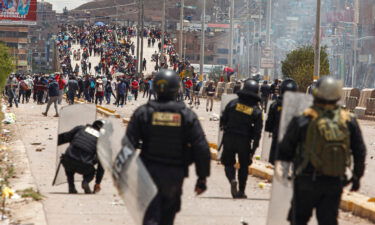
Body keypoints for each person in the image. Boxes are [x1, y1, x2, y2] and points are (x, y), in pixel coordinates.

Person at [125, 70, 210, 225]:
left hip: (147, 172)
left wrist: (124, 174)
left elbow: (128, 145)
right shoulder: (187, 115)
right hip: (175, 174)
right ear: (177, 88)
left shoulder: (143, 113)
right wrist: (202, 178)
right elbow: (201, 147)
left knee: (150, 215)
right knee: (167, 217)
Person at [277, 76, 366, 225]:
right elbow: (359, 151)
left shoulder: (304, 119)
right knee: (328, 221)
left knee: (298, 220)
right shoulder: (348, 120)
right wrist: (356, 177)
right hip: (333, 182)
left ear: (316, 93)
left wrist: (285, 175)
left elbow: (285, 149)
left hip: (305, 181)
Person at [220, 79, 263, 198]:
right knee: (244, 166)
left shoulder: (233, 103)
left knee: (228, 163)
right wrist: (253, 150)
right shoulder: (256, 111)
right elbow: (258, 132)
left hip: (229, 137)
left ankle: (232, 179)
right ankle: (241, 191)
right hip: (244, 141)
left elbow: (223, 120)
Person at [58, 120, 105, 194]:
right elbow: (101, 165)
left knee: (68, 161)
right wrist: (98, 182)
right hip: (84, 166)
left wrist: (55, 142)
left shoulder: (80, 128)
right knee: (92, 172)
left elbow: (64, 137)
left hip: (68, 162)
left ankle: (71, 187)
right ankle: (85, 182)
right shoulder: (102, 141)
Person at [265, 78, 298, 165]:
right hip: (293, 141)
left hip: (277, 138)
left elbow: (268, 126)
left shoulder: (275, 105)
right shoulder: (299, 107)